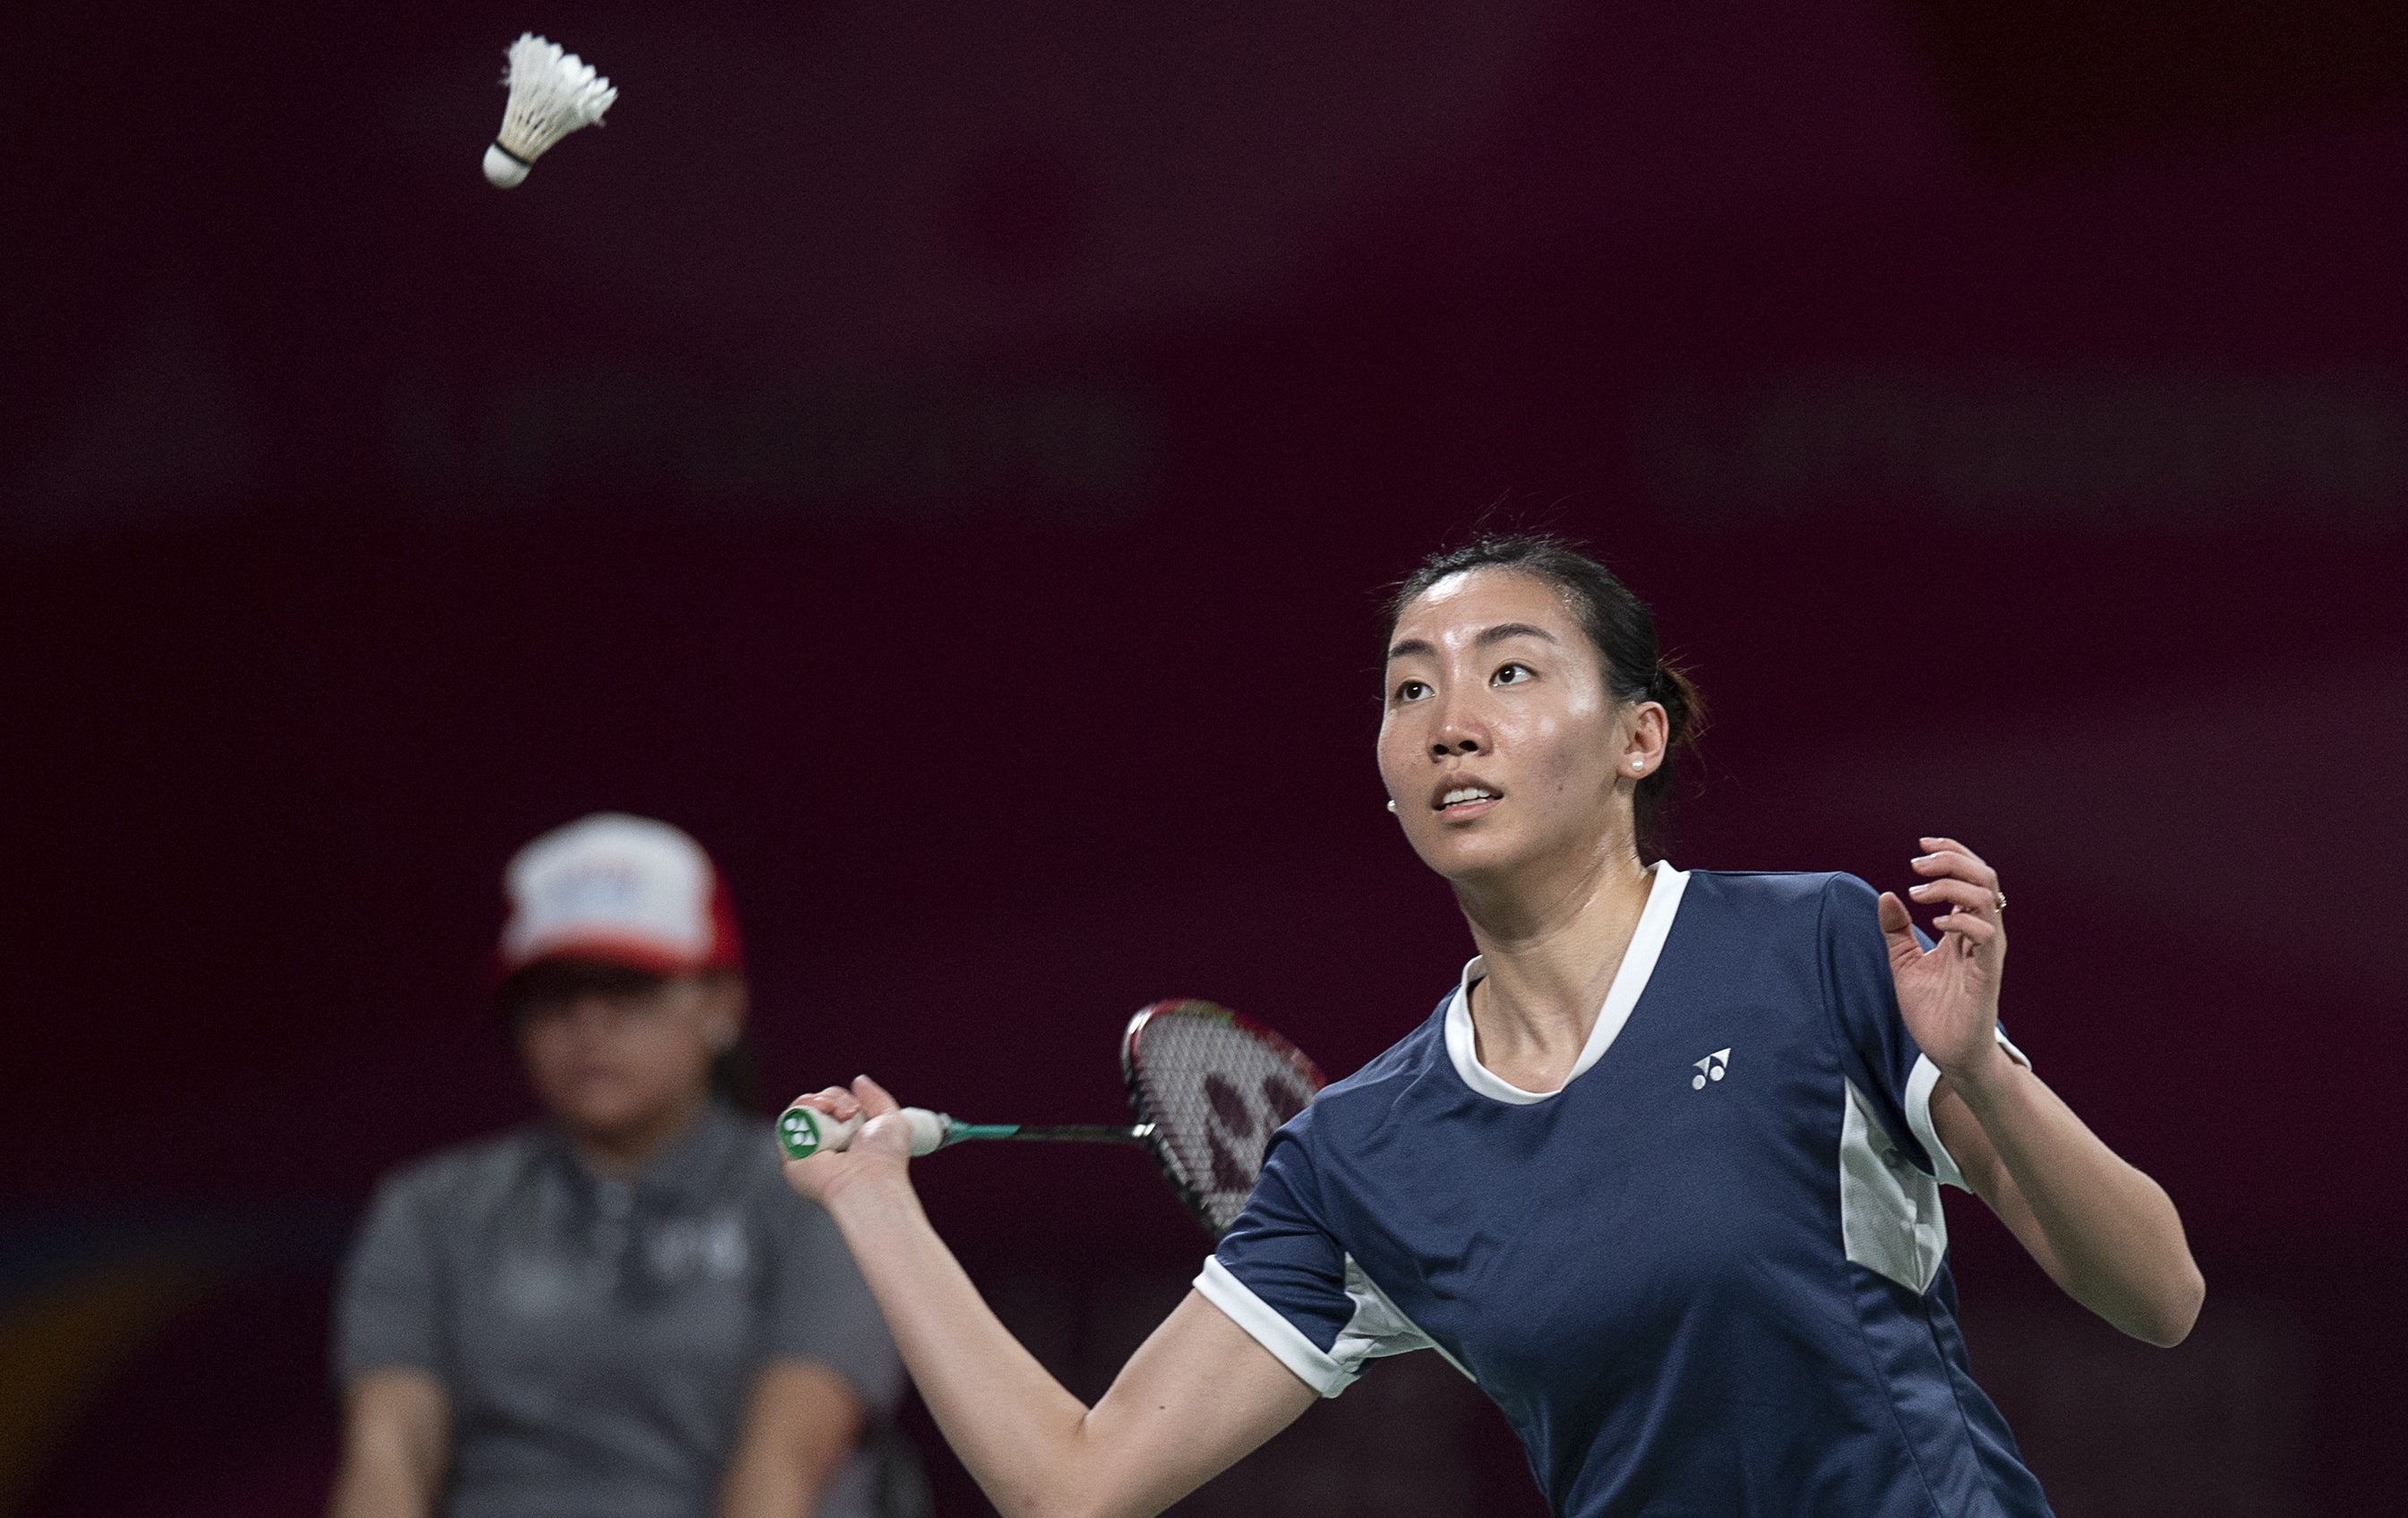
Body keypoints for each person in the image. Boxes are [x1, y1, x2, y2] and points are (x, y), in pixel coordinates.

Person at [784, 535, 2205, 1518]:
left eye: (1510, 672)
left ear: (1637, 737)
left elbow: (2162, 1293)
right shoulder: (1359, 1154)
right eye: (1411, 687)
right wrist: (871, 1200)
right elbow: (1074, 1482)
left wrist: (1982, 1075)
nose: (1449, 720)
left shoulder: (1812, 945)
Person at [330, 813, 911, 1518]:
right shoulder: (429, 1207)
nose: (589, 1021)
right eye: (555, 992)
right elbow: (388, 1452)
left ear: (722, 1002)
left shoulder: (819, 1189)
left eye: (630, 986)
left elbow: (788, 1463)